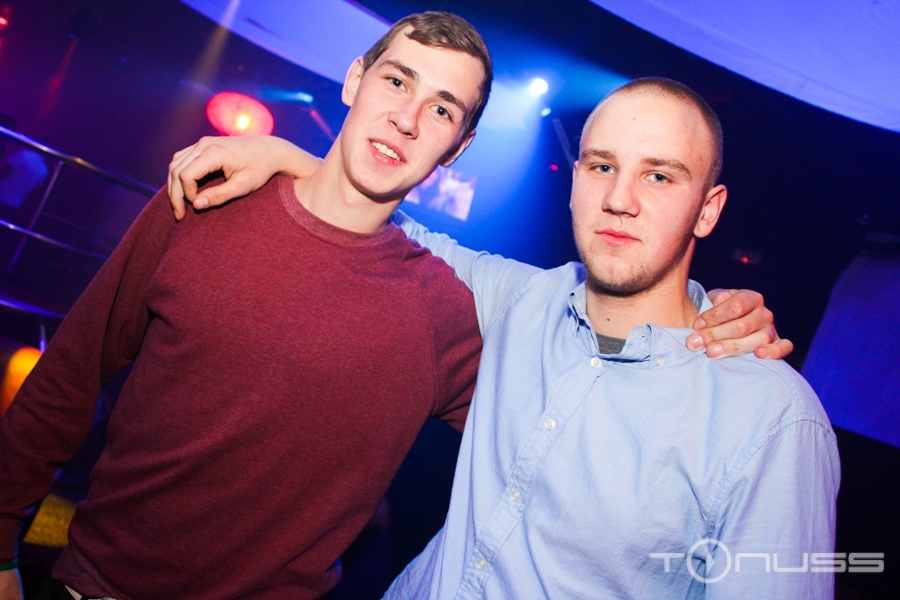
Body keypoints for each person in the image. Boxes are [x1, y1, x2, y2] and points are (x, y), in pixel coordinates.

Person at [165, 79, 833, 598]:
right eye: (601, 166)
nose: (620, 199)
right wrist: (287, 157)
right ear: (575, 180)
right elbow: (392, 232)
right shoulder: (523, 302)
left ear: (707, 210)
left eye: (659, 176)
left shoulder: (770, 417)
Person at [0, 12, 491, 600]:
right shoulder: (211, 199)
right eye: (396, 81)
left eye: (441, 110)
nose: (406, 119)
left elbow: (545, 443)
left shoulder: (442, 313)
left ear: (458, 147)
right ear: (354, 80)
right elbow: (71, 373)